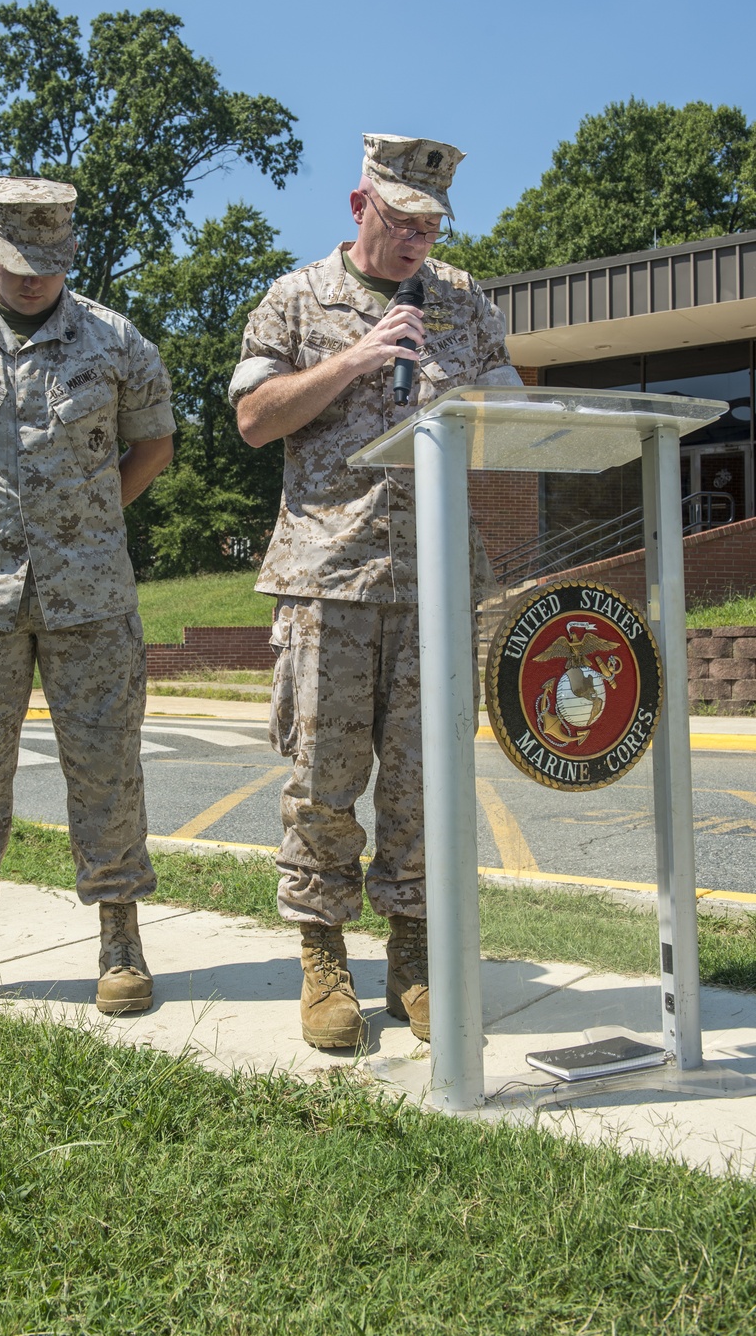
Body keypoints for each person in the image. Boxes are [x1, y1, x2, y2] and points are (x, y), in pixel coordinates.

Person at [230, 134, 521, 1049]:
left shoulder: (465, 302)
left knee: (425, 784)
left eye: (432, 226)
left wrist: (513, 414)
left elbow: (508, 413)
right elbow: (251, 419)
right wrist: (356, 360)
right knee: (323, 782)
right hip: (330, 581)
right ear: (359, 208)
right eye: (402, 222)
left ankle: (414, 959)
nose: (418, 243)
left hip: (438, 580)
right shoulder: (295, 299)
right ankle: (323, 961)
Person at [0, 176, 175, 1013]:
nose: (33, 279)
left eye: (49, 263)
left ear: (70, 252)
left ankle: (120, 938)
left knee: (108, 766)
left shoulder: (117, 343)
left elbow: (151, 446)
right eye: (17, 263)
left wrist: (87, 520)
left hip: (90, 596)